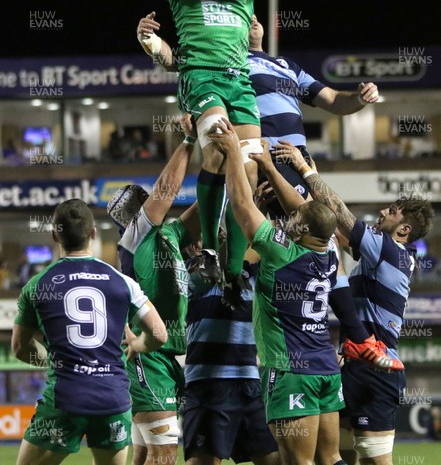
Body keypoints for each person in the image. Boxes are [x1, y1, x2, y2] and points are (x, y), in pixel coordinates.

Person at [115, 0, 290, 290]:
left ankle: (232, 270)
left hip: (238, 79)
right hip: (200, 77)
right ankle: (209, 250)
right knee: (216, 149)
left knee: (247, 166)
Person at [284, 143, 435, 465]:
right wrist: (312, 188)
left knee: (373, 459)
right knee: (336, 454)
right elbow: (332, 228)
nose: (382, 213)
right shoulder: (381, 256)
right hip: (354, 365)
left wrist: (305, 170)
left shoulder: (389, 250)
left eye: (391, 212)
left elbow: (340, 213)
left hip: (377, 370)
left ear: (404, 229)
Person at [208, 118, 348, 465]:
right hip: (326, 368)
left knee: (297, 462)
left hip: (291, 371)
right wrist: (269, 166)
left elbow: (242, 207)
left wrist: (233, 154)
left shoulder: (280, 250)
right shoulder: (330, 252)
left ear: (299, 228)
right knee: (331, 458)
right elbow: (305, 214)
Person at [12, 199, 167, 465]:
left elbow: (19, 347)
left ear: (54, 235)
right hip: (112, 401)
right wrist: (139, 345)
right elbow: (160, 334)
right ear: (93, 233)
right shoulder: (122, 282)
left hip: (64, 400)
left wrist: (50, 358)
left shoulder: (38, 285)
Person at [107, 115, 202, 465]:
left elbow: (206, 204)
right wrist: (190, 140)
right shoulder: (134, 238)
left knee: (146, 453)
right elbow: (167, 191)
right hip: (148, 355)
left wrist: (233, 169)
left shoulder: (169, 235)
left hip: (166, 355)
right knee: (164, 455)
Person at [247, 13, 379, 202]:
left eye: (255, 17)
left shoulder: (287, 65)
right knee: (308, 220)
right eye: (246, 17)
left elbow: (333, 100)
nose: (253, 20)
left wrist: (360, 98)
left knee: (309, 223)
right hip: (271, 155)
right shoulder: (234, 64)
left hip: (300, 158)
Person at [182, 241, 280, 465]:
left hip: (249, 383)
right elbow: (219, 260)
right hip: (208, 385)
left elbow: (261, 240)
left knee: (278, 459)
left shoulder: (251, 272)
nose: (200, 243)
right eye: (196, 238)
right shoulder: (191, 274)